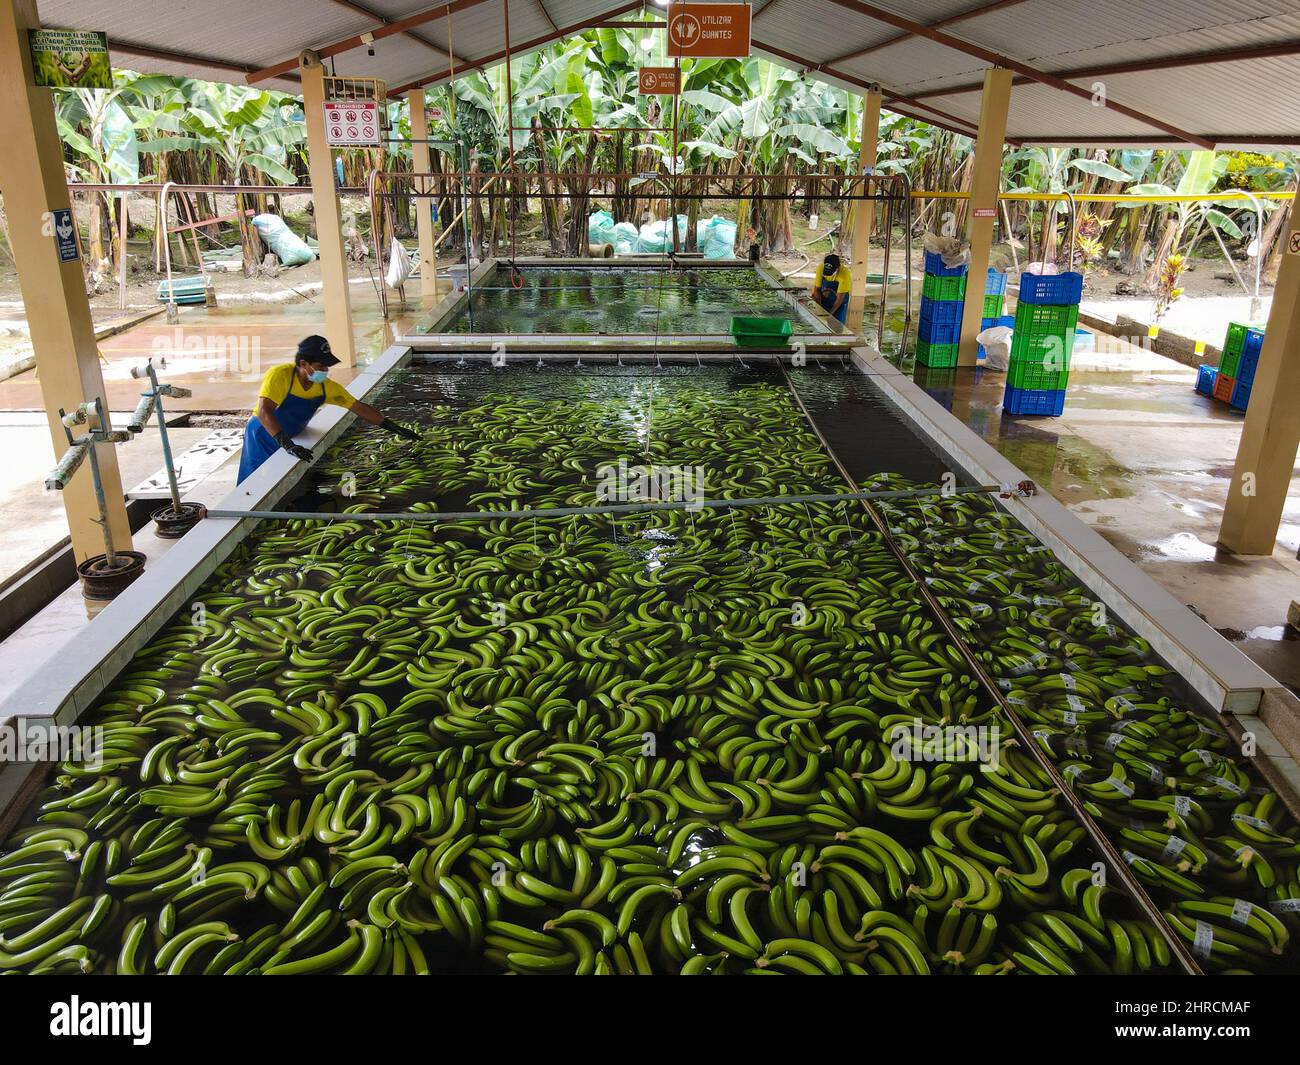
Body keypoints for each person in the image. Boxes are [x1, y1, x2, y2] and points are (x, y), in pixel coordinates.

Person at [237, 334, 418, 483]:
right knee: (254, 480)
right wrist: (288, 445)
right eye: (320, 366)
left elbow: (359, 408)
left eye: (326, 366)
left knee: (279, 480)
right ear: (303, 364)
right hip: (262, 435)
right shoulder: (280, 375)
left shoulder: (326, 387)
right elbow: (264, 411)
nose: (324, 370)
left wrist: (394, 427)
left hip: (291, 434)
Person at [811, 252, 851, 325]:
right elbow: (817, 289)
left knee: (837, 324)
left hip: (839, 300)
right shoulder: (821, 268)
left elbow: (840, 298)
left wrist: (830, 314)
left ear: (837, 268)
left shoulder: (844, 274)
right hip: (824, 296)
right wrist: (820, 308)